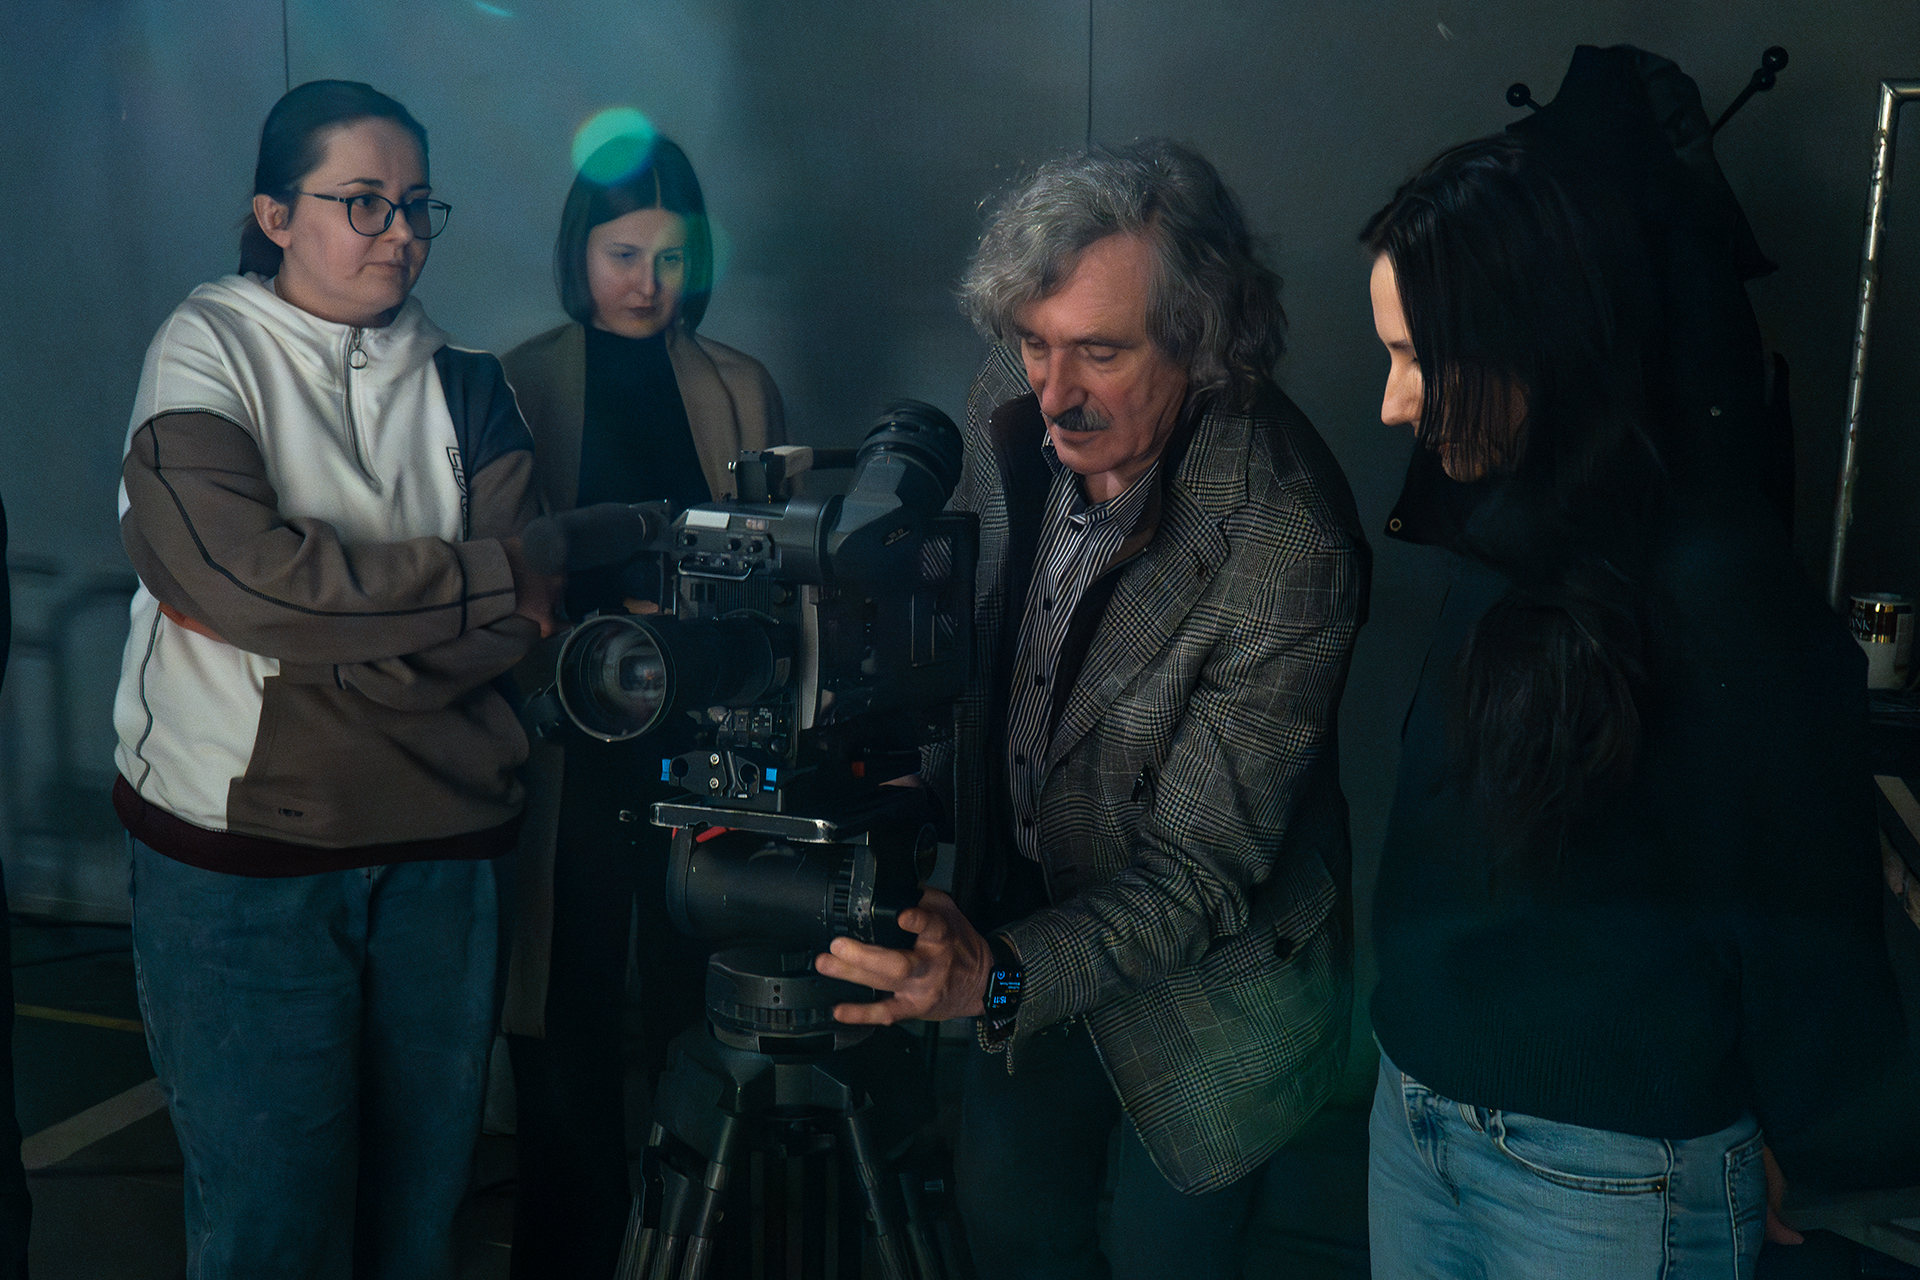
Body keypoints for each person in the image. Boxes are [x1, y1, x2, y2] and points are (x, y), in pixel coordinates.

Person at [1362, 133, 1912, 1279]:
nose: (1392, 401)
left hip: (1611, 1168)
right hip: (1416, 1110)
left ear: (1536, 340)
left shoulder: (1717, 582)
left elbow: (1804, 897)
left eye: (1420, 358)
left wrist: (1822, 1148)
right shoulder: (1498, 525)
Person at [816, 139, 1368, 1279]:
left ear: (1205, 341)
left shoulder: (1288, 538)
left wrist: (993, 976)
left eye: (1102, 353)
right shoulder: (1013, 392)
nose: (1054, 394)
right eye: (1034, 342)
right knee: (1011, 1232)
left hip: (1209, 993)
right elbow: (979, 652)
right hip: (1021, 914)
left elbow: (1198, 877)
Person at [110, 80, 556, 1279]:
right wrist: (478, 584)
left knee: (416, 1222)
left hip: (446, 859)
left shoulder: (473, 384)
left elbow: (516, 622)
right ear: (274, 214)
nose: (399, 232)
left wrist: (310, 625)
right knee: (272, 1230)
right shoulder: (205, 349)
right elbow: (241, 576)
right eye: (362, 201)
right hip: (245, 856)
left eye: (416, 204)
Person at [497, 129, 785, 1279]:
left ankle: (700, 1253)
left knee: (695, 1015)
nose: (647, 283)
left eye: (671, 258)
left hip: (700, 757)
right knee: (561, 1025)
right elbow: (497, 577)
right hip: (565, 756)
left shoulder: (740, 387)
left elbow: (777, 583)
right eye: (623, 254)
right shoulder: (516, 382)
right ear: (581, 251)